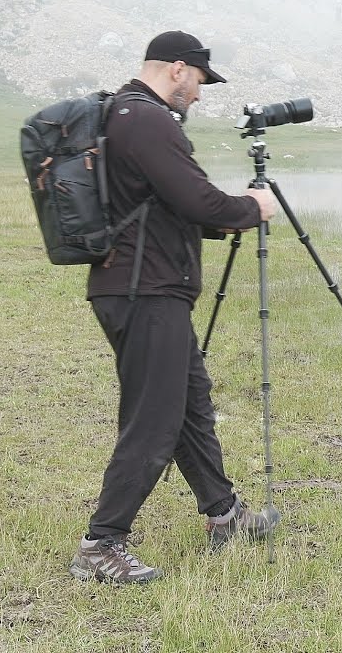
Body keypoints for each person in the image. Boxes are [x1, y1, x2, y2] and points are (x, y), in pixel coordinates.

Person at [68, 30, 282, 584]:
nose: (201, 95)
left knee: (188, 403)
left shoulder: (122, 114)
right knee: (155, 417)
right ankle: (101, 544)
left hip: (142, 285)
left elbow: (171, 205)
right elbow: (196, 198)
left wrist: (223, 214)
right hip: (146, 291)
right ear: (179, 69)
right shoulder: (147, 119)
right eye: (201, 82)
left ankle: (224, 515)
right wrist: (252, 206)